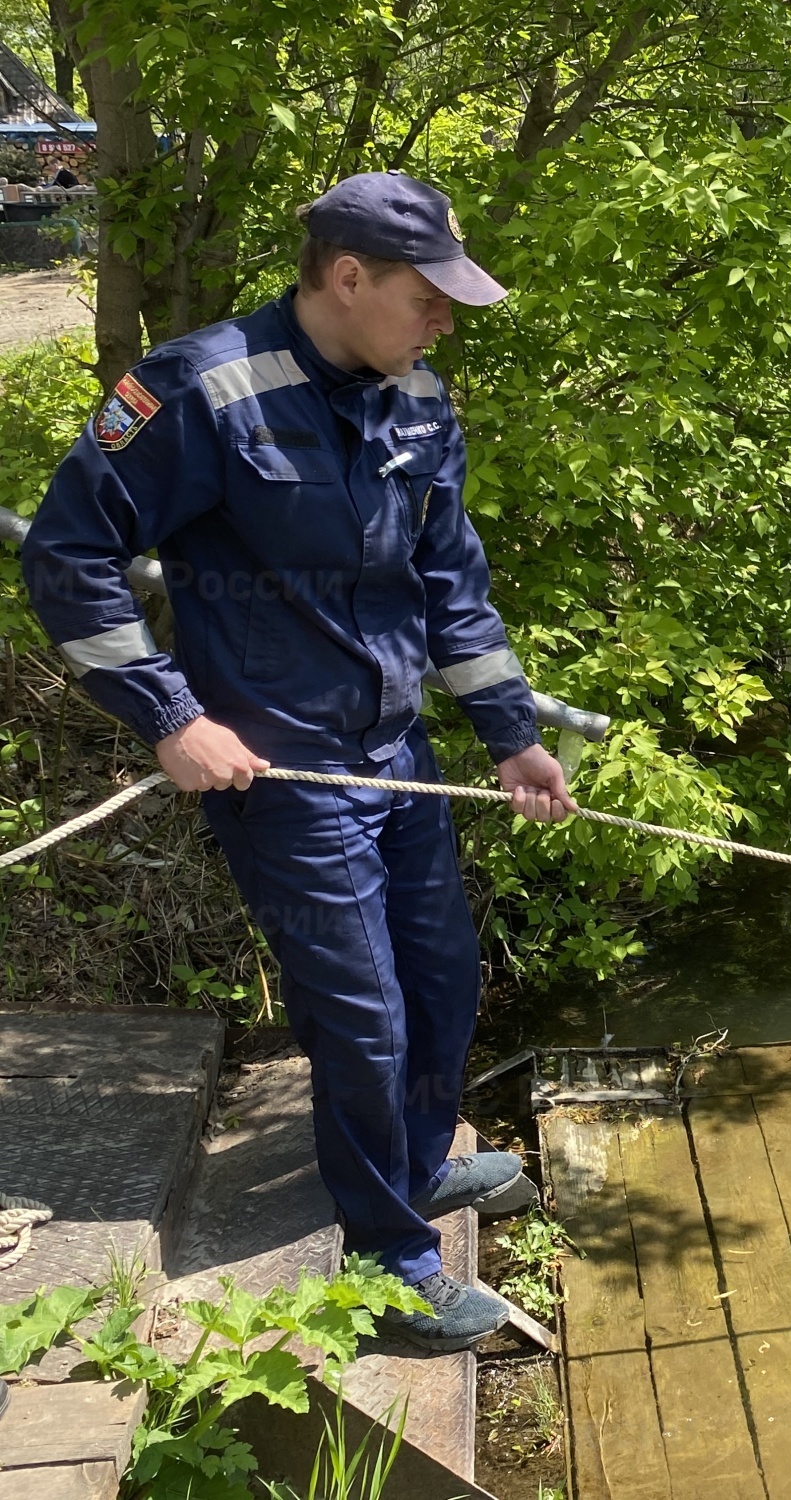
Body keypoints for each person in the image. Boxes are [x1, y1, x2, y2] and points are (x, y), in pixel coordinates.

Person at [23, 171, 577, 1351]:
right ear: (346, 277)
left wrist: (515, 738)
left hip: (394, 753)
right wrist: (171, 717)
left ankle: (418, 1164)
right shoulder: (197, 387)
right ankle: (389, 1263)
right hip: (279, 774)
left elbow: (452, 594)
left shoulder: (417, 402)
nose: (443, 323)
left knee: (441, 983)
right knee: (363, 1016)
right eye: (429, 300)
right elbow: (69, 558)